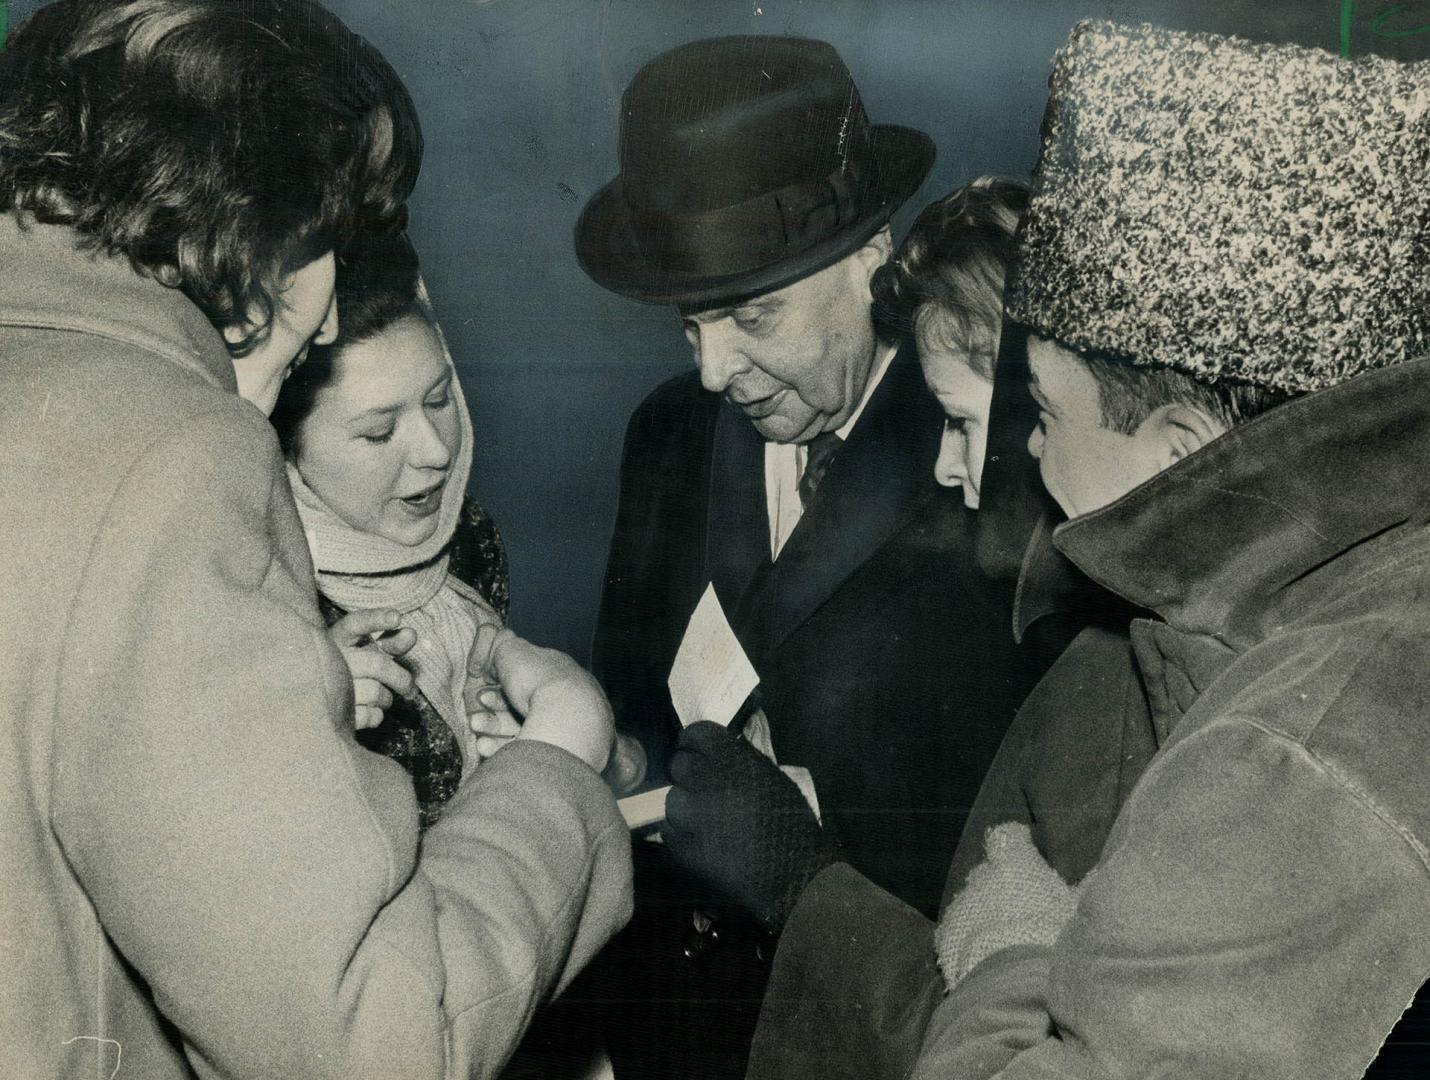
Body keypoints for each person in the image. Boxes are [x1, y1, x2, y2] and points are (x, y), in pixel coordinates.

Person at [784, 21, 1430, 1080]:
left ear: (1175, 453)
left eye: (1040, 407)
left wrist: (1017, 954)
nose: (1025, 452)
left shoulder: (1275, 767)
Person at [0, 3, 629, 1078]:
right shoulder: (176, 459)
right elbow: (380, 1045)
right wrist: (554, 771)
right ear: (254, 238)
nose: (331, 322)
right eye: (332, 239)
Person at [569, 36, 1042, 1078]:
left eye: (750, 313)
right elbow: (634, 713)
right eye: (689, 323)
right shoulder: (665, 439)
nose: (710, 371)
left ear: (872, 261)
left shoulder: (994, 456)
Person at [271, 230, 513, 829]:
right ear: (287, 453)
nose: (436, 452)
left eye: (439, 400)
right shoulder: (261, 608)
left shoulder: (469, 536)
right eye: (380, 432)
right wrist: (291, 730)